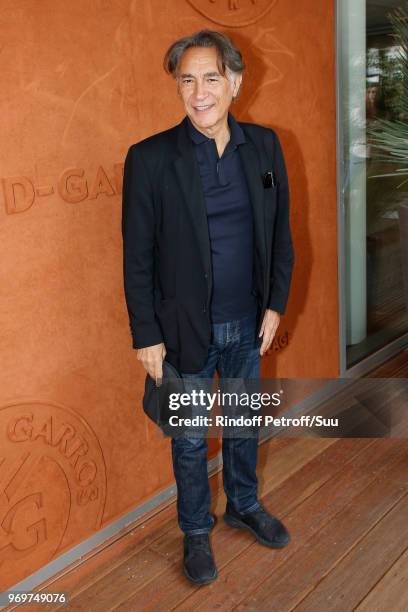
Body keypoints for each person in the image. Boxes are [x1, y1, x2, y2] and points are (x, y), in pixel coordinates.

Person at [122, 30, 294, 585]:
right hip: (182, 331)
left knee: (244, 423)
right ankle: (196, 531)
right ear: (178, 86)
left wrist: (275, 305)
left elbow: (281, 234)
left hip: (248, 322)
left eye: (212, 77)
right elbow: (137, 258)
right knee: (191, 439)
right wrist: (145, 335)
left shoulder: (265, 146)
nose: (199, 92)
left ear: (236, 82)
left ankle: (245, 503)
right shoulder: (149, 160)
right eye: (187, 79)